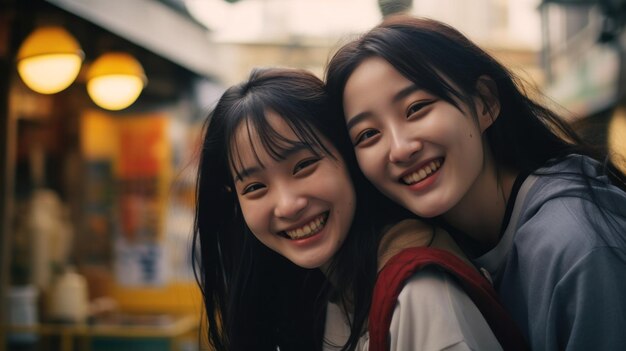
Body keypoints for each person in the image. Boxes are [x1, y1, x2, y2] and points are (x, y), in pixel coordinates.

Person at [325, 14, 626, 351]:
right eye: (368, 134)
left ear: (485, 102)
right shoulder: (428, 244)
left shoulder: (578, 247)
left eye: (417, 108)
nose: (400, 149)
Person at [191, 67, 521, 351]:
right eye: (255, 187)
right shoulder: (314, 294)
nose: (288, 205)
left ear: (349, 157)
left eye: (304, 165)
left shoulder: (420, 296)